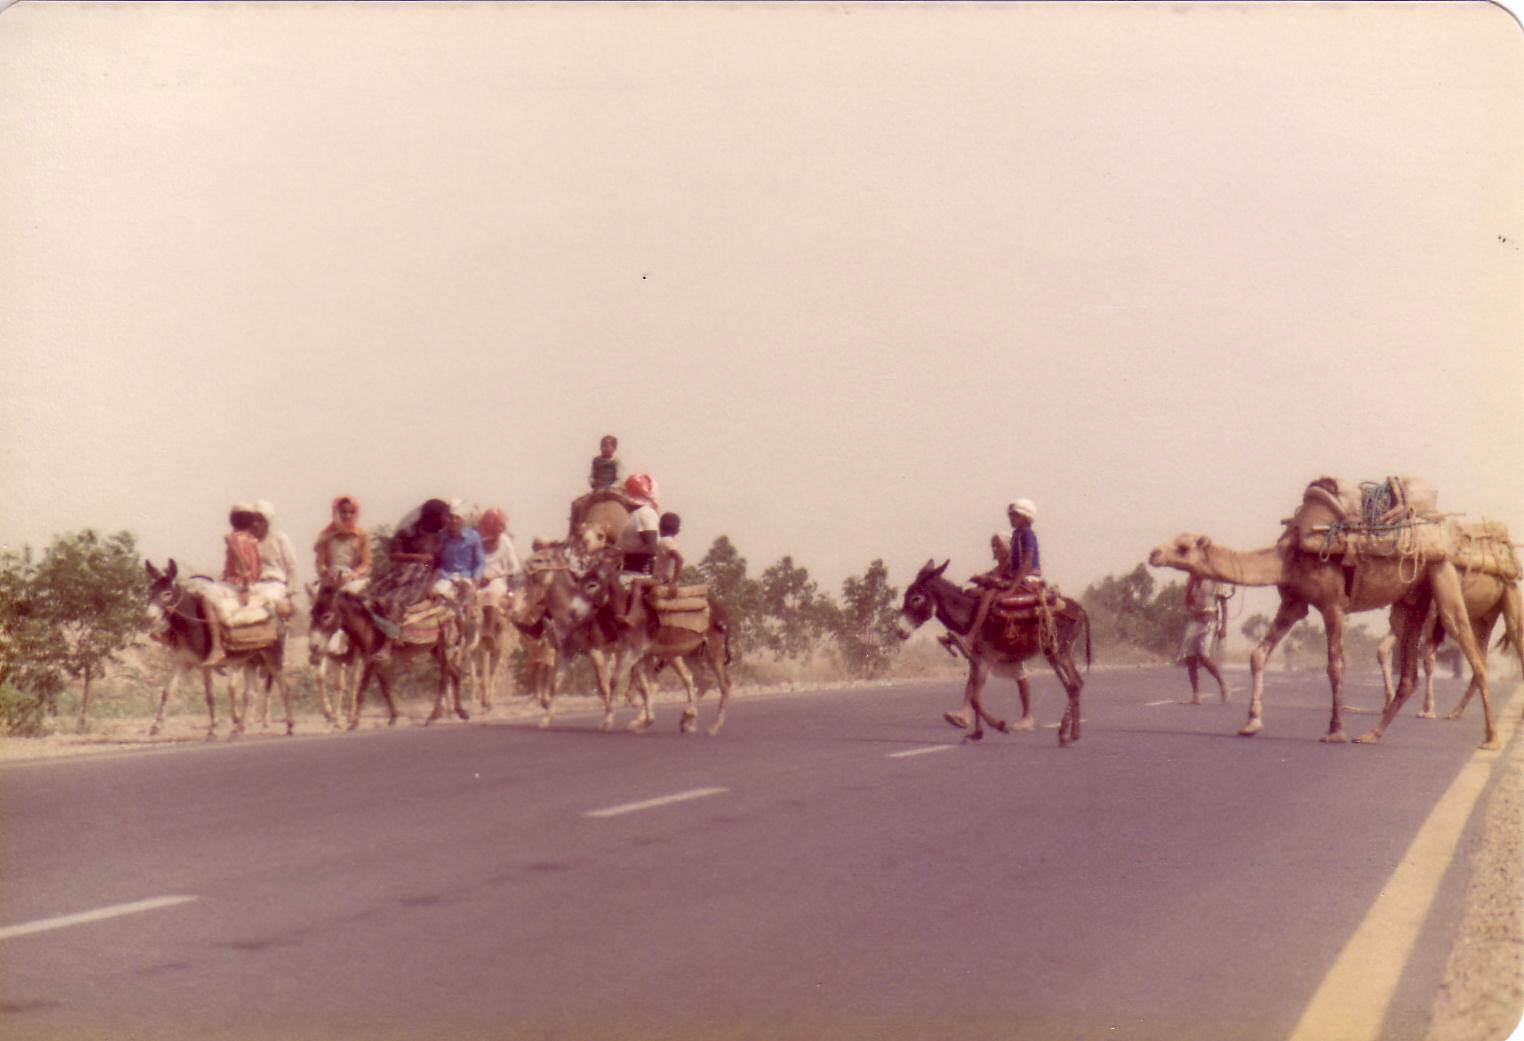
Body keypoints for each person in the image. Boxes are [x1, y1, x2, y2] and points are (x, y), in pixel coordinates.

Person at [369, 497, 451, 631]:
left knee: (396, 601)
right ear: (434, 516)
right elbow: (394, 555)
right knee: (373, 597)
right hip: (401, 574)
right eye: (445, 516)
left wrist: (430, 587)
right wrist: (417, 558)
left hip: (421, 578)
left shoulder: (439, 539)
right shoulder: (408, 532)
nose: (447, 519)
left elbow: (436, 565)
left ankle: (390, 641)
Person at [199, 504, 263, 667]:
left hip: (240, 584)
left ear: (232, 520)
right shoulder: (253, 539)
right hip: (248, 583)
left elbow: (243, 567)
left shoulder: (233, 538)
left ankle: (217, 648)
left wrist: (245, 588)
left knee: (205, 598)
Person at [612, 473, 661, 627]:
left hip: (640, 572)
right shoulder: (636, 515)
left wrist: (625, 552)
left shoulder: (644, 515)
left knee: (609, 584)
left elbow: (652, 548)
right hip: (628, 569)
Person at [1178, 573, 1232, 704]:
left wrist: (1223, 627)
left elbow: (1224, 606)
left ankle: (1223, 683)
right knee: (1189, 656)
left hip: (1210, 622)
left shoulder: (1215, 579)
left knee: (1203, 655)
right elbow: (1187, 599)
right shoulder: (1192, 578)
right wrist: (1190, 609)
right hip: (1195, 621)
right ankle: (1196, 694)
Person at [249, 500, 301, 619]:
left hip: (274, 585)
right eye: (252, 520)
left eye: (259, 520)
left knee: (264, 601)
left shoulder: (279, 538)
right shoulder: (247, 541)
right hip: (252, 585)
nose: (255, 524)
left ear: (267, 522)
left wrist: (289, 595)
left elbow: (292, 567)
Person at [313, 496, 372, 593]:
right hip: (330, 577)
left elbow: (366, 562)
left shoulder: (362, 536)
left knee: (352, 595)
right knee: (316, 596)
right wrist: (326, 574)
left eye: (351, 512)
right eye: (343, 512)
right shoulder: (326, 535)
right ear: (336, 513)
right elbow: (320, 563)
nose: (347, 516)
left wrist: (355, 574)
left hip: (354, 578)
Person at [430, 500, 485, 602]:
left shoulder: (473, 537)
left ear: (462, 520)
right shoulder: (441, 537)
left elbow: (480, 562)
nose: (453, 521)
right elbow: (436, 562)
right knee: (438, 598)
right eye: (450, 517)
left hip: (465, 578)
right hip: (445, 577)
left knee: (466, 598)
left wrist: (476, 580)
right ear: (447, 519)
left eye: (457, 518)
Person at [476, 507, 523, 611]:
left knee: (491, 595)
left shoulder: (504, 541)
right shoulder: (476, 540)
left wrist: (494, 575)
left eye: (502, 525)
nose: (501, 528)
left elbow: (516, 568)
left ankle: (489, 627)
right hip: (477, 580)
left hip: (497, 581)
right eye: (498, 524)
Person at [655, 512, 685, 588]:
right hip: (663, 579)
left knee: (637, 583)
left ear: (660, 527)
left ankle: (635, 600)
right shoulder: (671, 541)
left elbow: (680, 559)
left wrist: (674, 582)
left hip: (662, 580)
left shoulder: (665, 541)